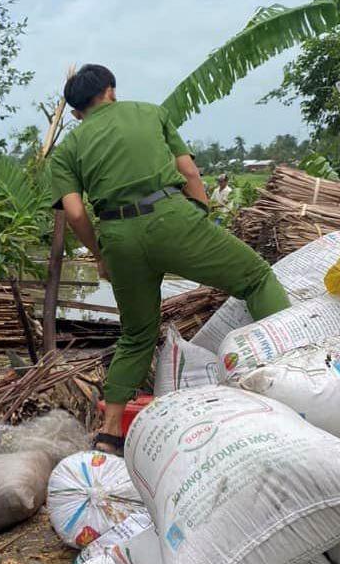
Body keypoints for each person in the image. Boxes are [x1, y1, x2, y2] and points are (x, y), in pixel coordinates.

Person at [50, 64, 289, 454]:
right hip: (170, 217)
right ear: (111, 90)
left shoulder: (67, 150)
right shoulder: (150, 112)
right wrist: (198, 216)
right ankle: (292, 364)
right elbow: (190, 171)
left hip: (118, 236)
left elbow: (76, 214)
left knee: (137, 335)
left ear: (77, 113)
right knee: (257, 278)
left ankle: (109, 432)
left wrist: (102, 255)